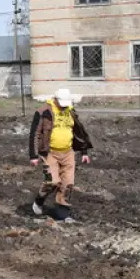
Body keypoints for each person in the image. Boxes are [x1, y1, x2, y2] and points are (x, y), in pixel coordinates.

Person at [28, 88, 93, 222]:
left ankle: (62, 214)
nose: (64, 106)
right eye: (61, 103)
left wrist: (84, 151)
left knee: (68, 183)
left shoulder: (70, 111)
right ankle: (39, 201)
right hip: (50, 153)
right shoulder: (43, 112)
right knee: (52, 181)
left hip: (68, 152)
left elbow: (79, 132)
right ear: (55, 99)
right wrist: (33, 156)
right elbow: (34, 134)